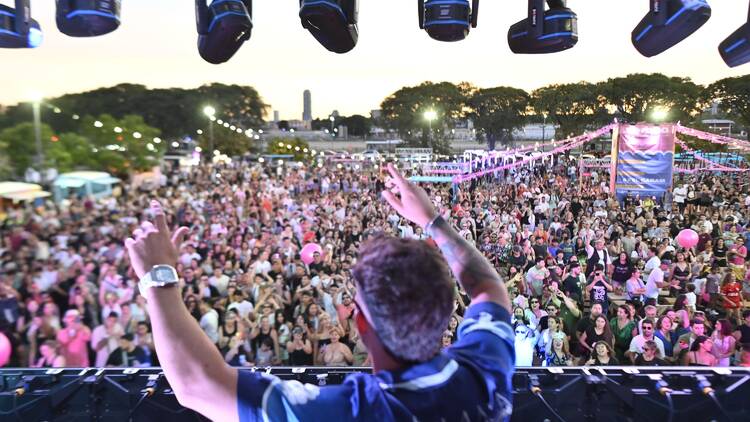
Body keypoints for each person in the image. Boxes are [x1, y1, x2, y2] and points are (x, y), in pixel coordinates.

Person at [123, 163, 514, 421]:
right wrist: (433, 221)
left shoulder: (353, 412)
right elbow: (488, 288)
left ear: (360, 323)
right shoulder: (484, 373)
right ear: (448, 311)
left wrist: (159, 278)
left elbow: (196, 385)